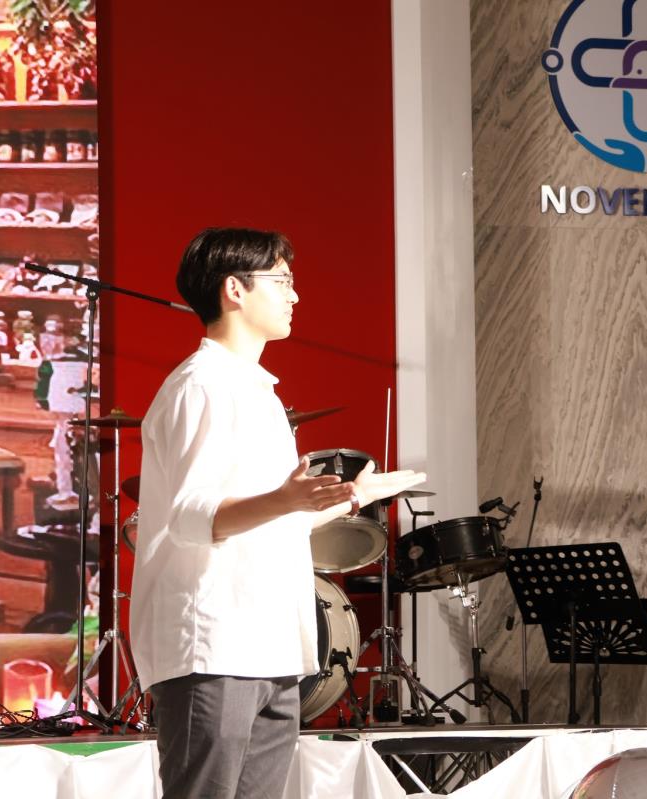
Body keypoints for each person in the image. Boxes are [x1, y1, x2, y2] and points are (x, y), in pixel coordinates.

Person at [129, 227, 425, 798]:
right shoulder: (202, 386)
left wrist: (352, 497)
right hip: (215, 646)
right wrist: (287, 498)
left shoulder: (256, 391)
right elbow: (192, 516)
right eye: (283, 281)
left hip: (271, 644)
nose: (296, 295)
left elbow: (272, 522)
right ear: (234, 289)